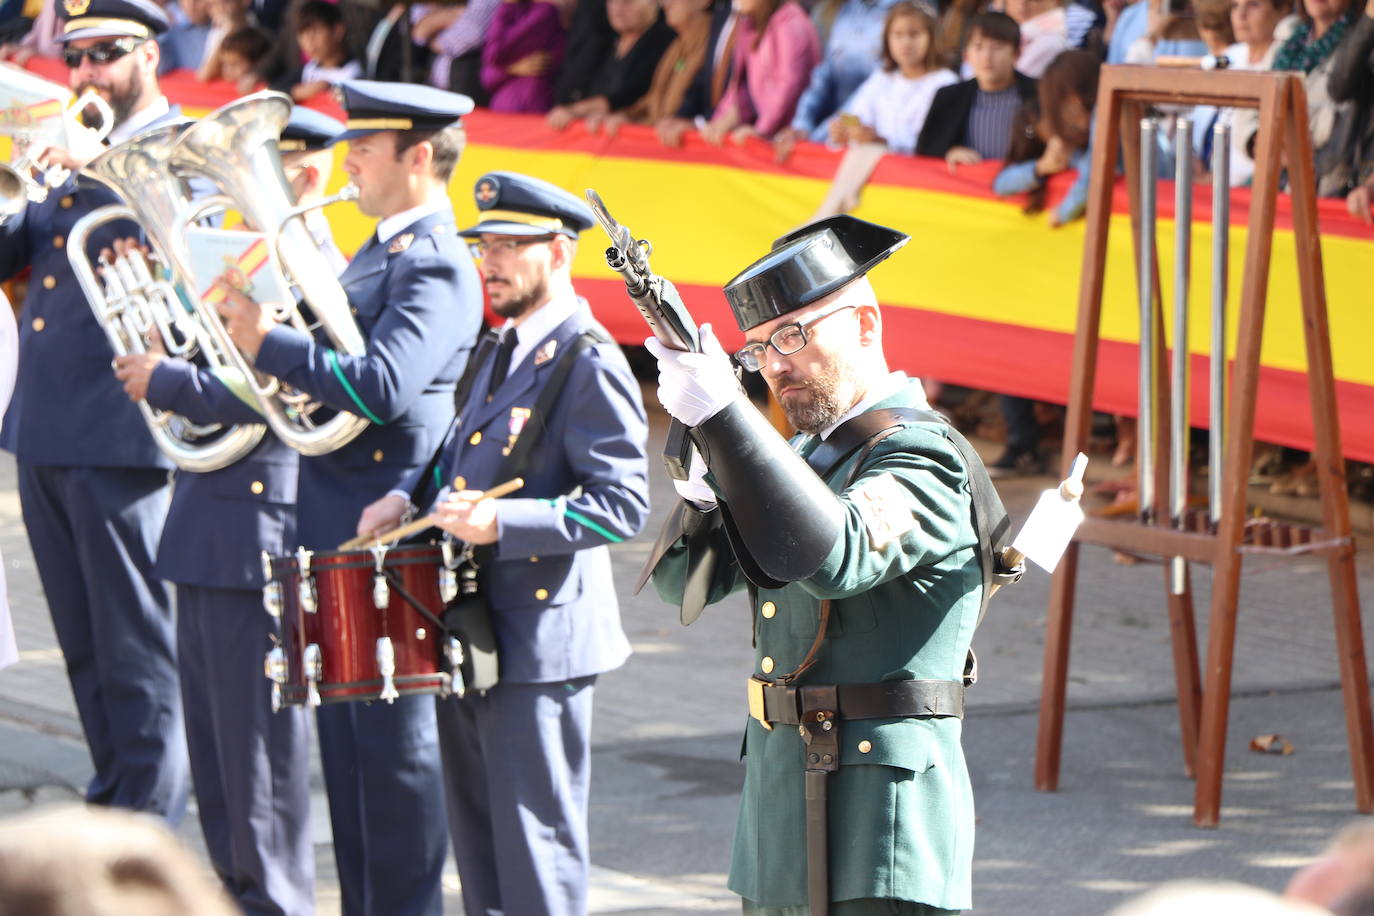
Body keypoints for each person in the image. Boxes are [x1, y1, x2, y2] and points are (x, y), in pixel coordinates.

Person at [645, 215, 983, 914]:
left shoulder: (923, 454)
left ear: (864, 324)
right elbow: (681, 587)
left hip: (878, 818)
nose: (774, 365)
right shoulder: (803, 461)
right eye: (760, 347)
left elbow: (840, 554)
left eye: (794, 335)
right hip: (782, 799)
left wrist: (732, 423)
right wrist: (709, 485)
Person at [215, 79, 484, 916]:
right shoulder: (380, 250)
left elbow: (384, 385)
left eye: (364, 146)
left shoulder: (433, 260)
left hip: (388, 535)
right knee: (354, 771)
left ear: (416, 156)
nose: (350, 161)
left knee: (395, 774)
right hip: (338, 523)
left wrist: (268, 341)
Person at [356, 171, 650, 916]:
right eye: (485, 244)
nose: (490, 261)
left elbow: (623, 505)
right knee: (483, 847)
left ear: (558, 251)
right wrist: (408, 495)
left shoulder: (587, 359)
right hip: (477, 629)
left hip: (541, 641)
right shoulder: (502, 344)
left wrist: (504, 526)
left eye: (509, 246)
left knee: (535, 853)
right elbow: (459, 450)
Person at [106, 107, 347, 916]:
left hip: (261, 525)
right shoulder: (244, 261)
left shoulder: (320, 265)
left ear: (308, 174)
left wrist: (167, 381)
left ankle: (274, 903)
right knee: (216, 757)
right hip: (206, 525)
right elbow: (209, 353)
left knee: (258, 766)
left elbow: (276, 386)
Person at [0, 0, 189, 824]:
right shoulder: (72, 153)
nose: (85, 74)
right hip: (46, 427)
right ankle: (114, 799)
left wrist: (98, 162)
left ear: (150, 54)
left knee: (135, 647)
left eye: (106, 53)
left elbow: (187, 265)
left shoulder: (179, 151)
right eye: (75, 57)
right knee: (82, 645)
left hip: (121, 431)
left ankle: (146, 824)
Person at [771, 0, 905, 159]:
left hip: (872, 147)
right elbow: (824, 75)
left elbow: (873, 90)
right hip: (832, 138)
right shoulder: (839, 9)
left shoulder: (908, 9)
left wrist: (817, 137)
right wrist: (802, 126)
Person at [827, 2, 957, 155]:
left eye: (914, 34)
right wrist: (844, 131)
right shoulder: (882, 78)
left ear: (932, 37)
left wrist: (881, 142)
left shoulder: (946, 83)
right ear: (886, 39)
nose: (906, 43)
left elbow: (935, 144)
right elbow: (856, 115)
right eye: (898, 35)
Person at [916, 11, 1037, 167]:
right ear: (967, 55)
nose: (987, 56)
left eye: (997, 47)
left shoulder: (1039, 94)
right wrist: (948, 152)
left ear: (1016, 53)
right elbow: (924, 152)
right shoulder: (948, 97)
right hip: (965, 189)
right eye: (978, 47)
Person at [701, 0, 821, 144]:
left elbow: (789, 85)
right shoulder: (748, 25)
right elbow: (740, 87)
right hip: (769, 136)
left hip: (789, 140)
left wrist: (761, 130)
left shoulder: (791, 22)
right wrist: (717, 123)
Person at [546, 0, 675, 129]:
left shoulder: (664, 41)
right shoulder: (606, 41)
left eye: (627, 2)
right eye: (612, 2)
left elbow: (632, 93)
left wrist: (575, 111)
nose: (617, 9)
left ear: (653, 4)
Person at [595, 0, 715, 136]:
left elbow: (680, 114)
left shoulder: (713, 45)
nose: (665, 4)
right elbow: (652, 100)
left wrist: (638, 122)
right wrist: (624, 117)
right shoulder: (677, 45)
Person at [481, 0, 566, 112]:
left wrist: (506, 6)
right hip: (502, 112)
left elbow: (494, 52)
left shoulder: (545, 12)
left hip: (533, 107)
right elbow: (487, 78)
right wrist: (513, 69)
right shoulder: (509, 12)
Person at [288, 0, 361, 101]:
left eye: (316, 32)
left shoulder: (354, 73)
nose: (309, 41)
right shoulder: (310, 68)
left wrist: (326, 87)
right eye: (302, 34)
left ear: (337, 31)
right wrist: (297, 93)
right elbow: (278, 89)